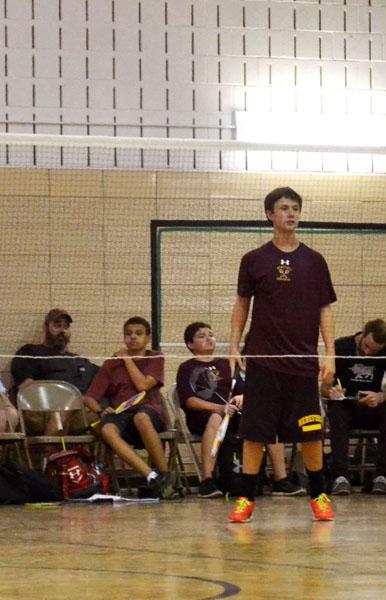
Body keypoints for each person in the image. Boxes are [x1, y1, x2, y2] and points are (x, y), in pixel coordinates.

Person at [228, 186, 337, 524]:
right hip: (262, 361)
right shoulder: (254, 259)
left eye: (295, 208)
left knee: (310, 431)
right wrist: (233, 345)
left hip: (302, 363)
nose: (291, 214)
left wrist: (330, 353)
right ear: (270, 215)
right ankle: (245, 498)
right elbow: (242, 304)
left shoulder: (315, 261)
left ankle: (318, 495)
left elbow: (325, 309)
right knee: (255, 432)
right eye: (284, 208)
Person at [177, 322, 304, 498]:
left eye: (210, 334)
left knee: (267, 419)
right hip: (204, 417)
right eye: (201, 336)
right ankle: (207, 481)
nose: (208, 338)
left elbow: (244, 389)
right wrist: (220, 408)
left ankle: (280, 480)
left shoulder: (226, 364)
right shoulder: (186, 368)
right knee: (215, 418)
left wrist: (243, 397)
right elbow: (190, 401)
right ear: (190, 344)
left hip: (233, 415)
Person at [83, 317, 177, 499]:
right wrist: (100, 410)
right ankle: (153, 477)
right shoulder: (111, 364)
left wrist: (126, 359)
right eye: (128, 334)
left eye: (138, 334)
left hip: (150, 413)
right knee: (107, 429)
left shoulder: (155, 357)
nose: (133, 337)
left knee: (141, 418)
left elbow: (143, 385)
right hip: (122, 414)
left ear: (148, 338)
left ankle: (166, 476)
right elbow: (90, 397)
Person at [322, 319, 386, 496]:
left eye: (374, 351)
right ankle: (340, 477)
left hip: (372, 407)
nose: (367, 353)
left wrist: (381, 396)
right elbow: (324, 387)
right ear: (363, 334)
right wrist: (332, 392)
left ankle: (381, 475)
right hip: (346, 405)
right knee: (336, 409)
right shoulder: (341, 346)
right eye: (366, 346)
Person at [11, 308, 99, 434]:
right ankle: (51, 453)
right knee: (64, 409)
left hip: (80, 412)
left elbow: (106, 379)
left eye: (66, 327)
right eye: (57, 325)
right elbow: (26, 389)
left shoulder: (79, 361)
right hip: (43, 411)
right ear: (46, 328)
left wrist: (124, 359)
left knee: (109, 416)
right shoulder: (30, 353)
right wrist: (64, 400)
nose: (62, 331)